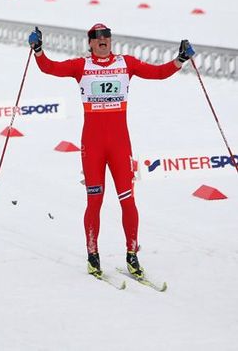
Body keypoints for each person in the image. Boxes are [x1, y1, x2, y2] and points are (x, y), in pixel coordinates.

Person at [28, 23, 195, 279]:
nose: (103, 40)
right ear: (90, 43)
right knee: (94, 200)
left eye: (107, 36)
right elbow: (50, 67)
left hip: (119, 145)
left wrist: (180, 59)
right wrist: (38, 50)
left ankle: (132, 255)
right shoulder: (81, 66)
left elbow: (158, 73)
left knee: (128, 201)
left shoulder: (126, 63)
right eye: (97, 37)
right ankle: (93, 255)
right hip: (93, 146)